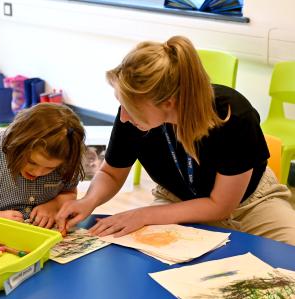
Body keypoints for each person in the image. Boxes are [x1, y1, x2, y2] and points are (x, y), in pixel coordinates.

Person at [56, 36, 295, 245]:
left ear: (168, 103)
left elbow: (221, 206)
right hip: (176, 199)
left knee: (288, 255)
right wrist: (89, 201)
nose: (123, 116)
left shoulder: (232, 116)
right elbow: (111, 173)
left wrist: (144, 215)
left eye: (129, 106)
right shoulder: (130, 118)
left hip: (251, 203)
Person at [0, 103, 86, 229]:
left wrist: (55, 205)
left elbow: (69, 192)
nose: (38, 172)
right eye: (32, 162)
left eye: (50, 168)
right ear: (16, 146)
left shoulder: (68, 158)